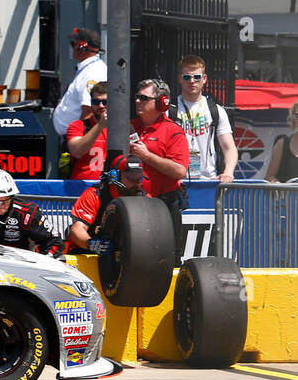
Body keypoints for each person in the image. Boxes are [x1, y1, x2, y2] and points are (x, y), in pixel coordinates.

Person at [169, 55, 237, 184]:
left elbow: (229, 147)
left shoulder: (216, 111)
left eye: (197, 77)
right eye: (187, 77)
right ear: (180, 79)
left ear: (204, 79)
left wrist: (228, 172)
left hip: (209, 180)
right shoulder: (170, 110)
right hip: (177, 180)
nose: (192, 81)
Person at [130, 78, 191, 216]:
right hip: (132, 203)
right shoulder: (130, 126)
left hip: (163, 205)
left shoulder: (173, 131)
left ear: (161, 102)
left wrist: (146, 156)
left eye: (143, 98)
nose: (137, 101)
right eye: (137, 97)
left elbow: (180, 171)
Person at [67, 154, 150, 254]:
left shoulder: (146, 200)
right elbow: (77, 229)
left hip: (128, 256)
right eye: (132, 179)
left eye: (139, 179)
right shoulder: (94, 195)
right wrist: (92, 244)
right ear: (114, 176)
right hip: (89, 253)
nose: (137, 183)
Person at [52, 27, 107, 137]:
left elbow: (88, 110)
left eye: (73, 44)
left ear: (82, 47)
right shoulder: (88, 68)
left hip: (78, 138)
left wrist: (79, 137)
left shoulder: (92, 73)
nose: (71, 48)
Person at [64, 82, 108, 180]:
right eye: (96, 102)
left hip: (111, 189)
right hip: (81, 189)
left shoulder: (123, 129)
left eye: (105, 102)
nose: (101, 106)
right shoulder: (78, 126)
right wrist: (100, 125)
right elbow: (76, 152)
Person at [264, 101, 298, 183]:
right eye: (297, 115)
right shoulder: (282, 143)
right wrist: (278, 185)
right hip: (287, 195)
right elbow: (269, 177)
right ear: (293, 118)